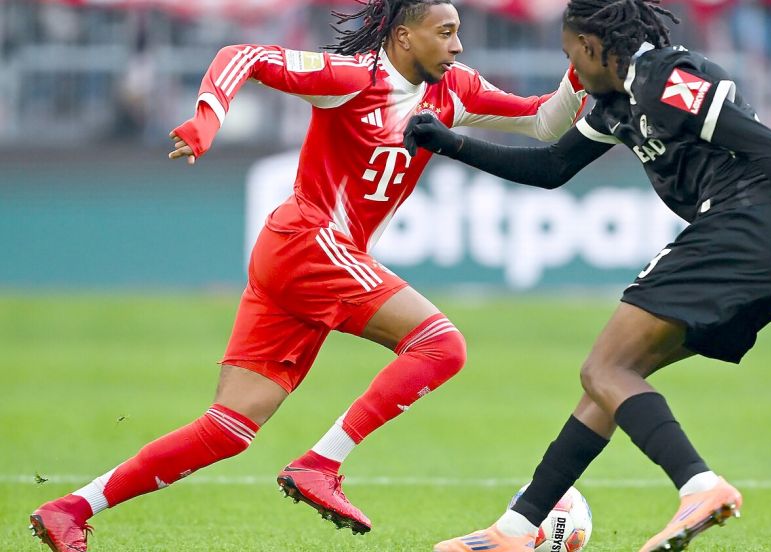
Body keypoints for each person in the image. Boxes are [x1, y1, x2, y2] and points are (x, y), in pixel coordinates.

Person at [28, 2, 588, 550]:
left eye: (458, 31)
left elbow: (544, 120)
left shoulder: (454, 89)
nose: (458, 45)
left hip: (302, 259)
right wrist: (207, 118)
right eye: (444, 32)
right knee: (441, 347)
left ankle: (69, 510)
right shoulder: (353, 79)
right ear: (402, 37)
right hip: (309, 244)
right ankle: (320, 464)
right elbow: (242, 54)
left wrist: (581, 63)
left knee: (228, 428)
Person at [402, 1, 771, 551]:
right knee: (612, 381)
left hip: (747, 227)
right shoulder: (614, 105)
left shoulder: (665, 77)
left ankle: (699, 487)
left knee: (604, 368)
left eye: (571, 55)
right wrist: (451, 144)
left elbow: (769, 145)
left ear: (591, 45)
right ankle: (515, 531)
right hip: (762, 243)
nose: (572, 70)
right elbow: (550, 168)